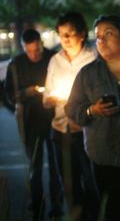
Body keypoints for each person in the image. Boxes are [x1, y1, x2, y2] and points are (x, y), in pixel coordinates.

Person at [65, 15, 120, 221]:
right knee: (110, 209)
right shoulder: (88, 73)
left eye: (108, 34)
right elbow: (72, 109)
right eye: (97, 37)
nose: (101, 41)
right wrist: (92, 110)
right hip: (103, 154)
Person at [43, 11, 98, 220]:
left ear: (82, 34)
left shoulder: (93, 58)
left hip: (86, 129)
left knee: (91, 180)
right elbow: (46, 97)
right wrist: (54, 98)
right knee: (69, 182)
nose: (65, 39)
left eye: (70, 34)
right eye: (61, 34)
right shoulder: (55, 60)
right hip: (60, 129)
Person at [4, 29, 62, 220]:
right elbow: (9, 94)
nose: (34, 55)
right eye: (30, 51)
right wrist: (22, 96)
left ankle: (57, 205)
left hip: (54, 120)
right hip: (30, 121)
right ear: (23, 48)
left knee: (56, 168)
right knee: (35, 166)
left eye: (37, 50)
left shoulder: (53, 59)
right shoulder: (17, 64)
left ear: (41, 44)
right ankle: (36, 205)